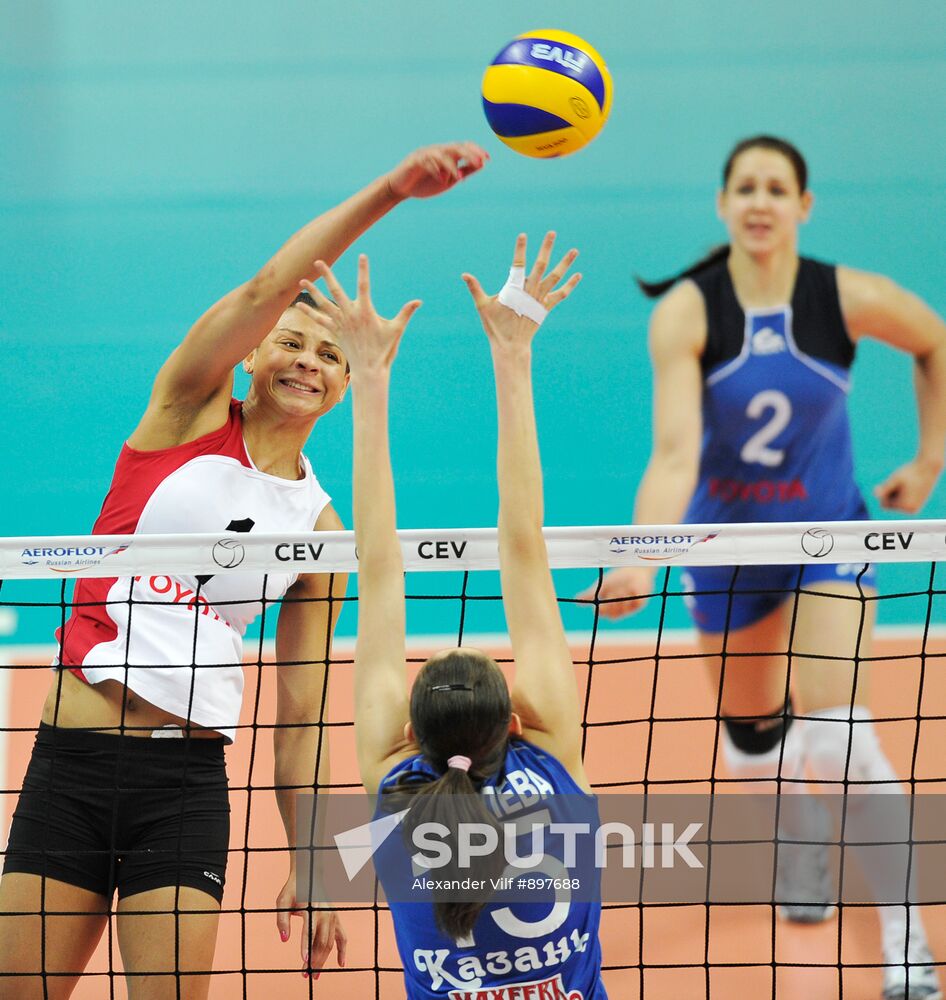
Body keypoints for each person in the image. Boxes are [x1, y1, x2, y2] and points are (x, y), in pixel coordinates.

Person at [0, 141, 488, 1000]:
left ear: (343, 385)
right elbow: (268, 287)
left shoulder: (320, 530)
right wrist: (391, 191)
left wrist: (312, 863)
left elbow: (300, 720)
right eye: (290, 344)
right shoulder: (182, 415)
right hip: (69, 768)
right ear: (252, 358)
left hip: (183, 788)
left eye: (330, 356)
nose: (307, 360)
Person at [583, 135, 946, 1000]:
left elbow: (934, 341)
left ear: (803, 205)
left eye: (777, 188)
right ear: (722, 203)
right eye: (745, 186)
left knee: (843, 732)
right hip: (727, 547)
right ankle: (803, 834)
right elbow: (674, 456)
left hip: (827, 538)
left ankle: (907, 938)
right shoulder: (687, 311)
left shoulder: (846, 295)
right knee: (752, 742)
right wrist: (642, 559)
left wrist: (931, 458)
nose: (760, 200)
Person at [298, 233, 604, 997]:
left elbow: (374, 566)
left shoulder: (396, 799)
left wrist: (368, 378)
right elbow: (524, 547)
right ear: (517, 724)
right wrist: (513, 355)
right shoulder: (551, 770)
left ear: (411, 731)